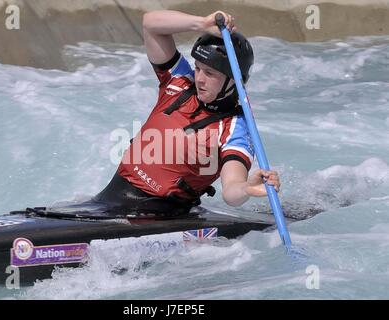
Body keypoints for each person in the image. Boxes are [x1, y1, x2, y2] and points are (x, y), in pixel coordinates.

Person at [93, 10, 280, 217]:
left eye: (210, 73)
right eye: (198, 68)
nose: (199, 78)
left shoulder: (235, 127)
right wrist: (201, 23)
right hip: (109, 198)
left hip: (157, 214)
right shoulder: (179, 82)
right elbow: (150, 24)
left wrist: (246, 188)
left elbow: (231, 190)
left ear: (233, 81)